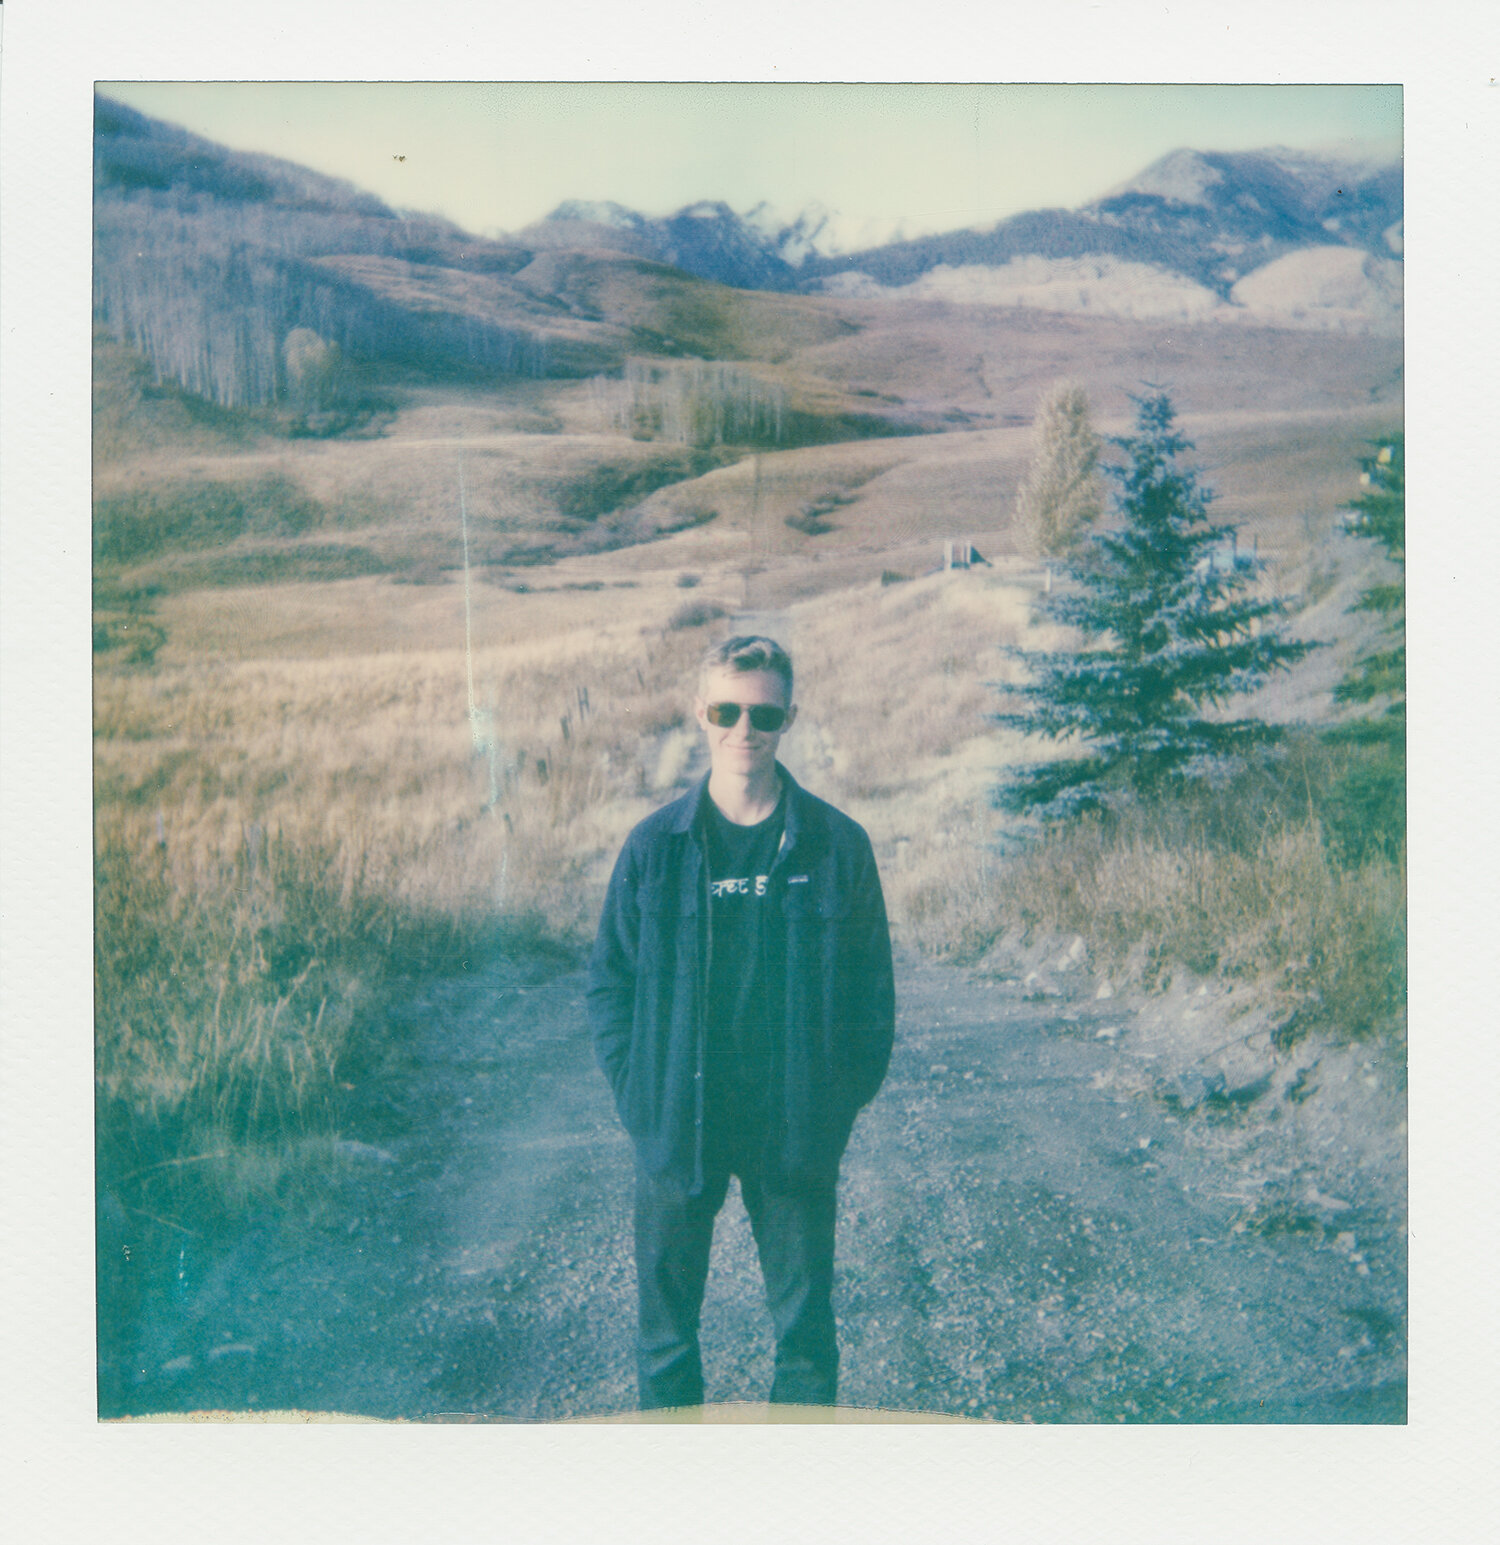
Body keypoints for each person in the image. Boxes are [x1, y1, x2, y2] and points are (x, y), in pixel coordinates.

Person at [587, 635, 895, 1410]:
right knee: (664, 1341)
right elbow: (609, 984)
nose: (744, 728)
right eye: (726, 709)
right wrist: (640, 1098)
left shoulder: (836, 845)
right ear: (701, 715)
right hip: (678, 1122)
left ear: (790, 713)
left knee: (804, 1337)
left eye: (763, 711)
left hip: (789, 1128)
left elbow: (872, 997)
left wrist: (833, 1107)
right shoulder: (654, 848)